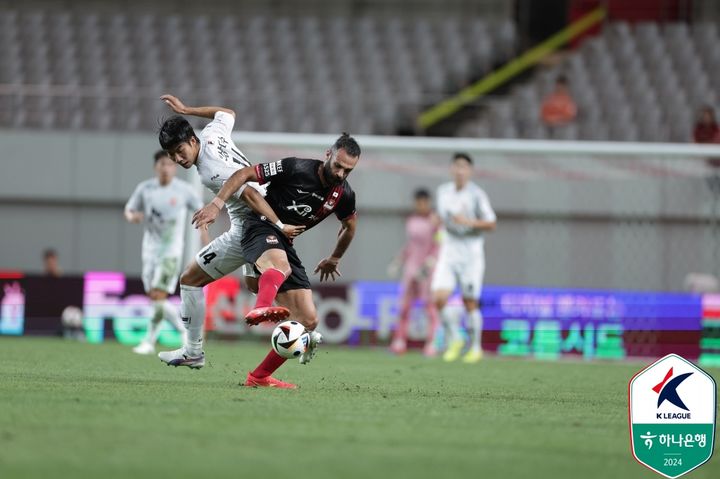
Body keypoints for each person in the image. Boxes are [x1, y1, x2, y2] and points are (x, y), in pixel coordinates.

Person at [191, 133, 360, 389]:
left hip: (284, 241)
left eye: (347, 170)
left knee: (309, 319)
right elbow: (244, 175)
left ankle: (258, 377)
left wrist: (334, 258)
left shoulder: (343, 194)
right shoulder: (296, 167)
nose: (340, 173)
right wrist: (217, 204)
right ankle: (261, 305)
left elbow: (349, 226)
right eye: (338, 165)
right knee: (279, 266)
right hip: (259, 226)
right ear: (328, 154)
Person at [155, 94, 304, 371]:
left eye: (179, 151)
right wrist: (187, 109)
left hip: (250, 225)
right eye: (171, 155)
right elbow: (226, 112)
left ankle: (193, 351)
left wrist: (277, 224)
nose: (177, 159)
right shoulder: (211, 133)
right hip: (258, 218)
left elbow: (247, 192)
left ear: (192, 141)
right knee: (256, 286)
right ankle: (303, 329)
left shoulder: (210, 170)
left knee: (189, 279)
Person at [124, 150, 210, 355]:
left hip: (171, 251)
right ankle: (185, 328)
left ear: (175, 168)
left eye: (170, 164)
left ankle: (149, 341)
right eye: (162, 164)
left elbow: (202, 213)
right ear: (156, 166)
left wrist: (205, 237)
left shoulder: (184, 190)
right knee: (156, 298)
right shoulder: (145, 189)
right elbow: (129, 210)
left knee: (158, 294)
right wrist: (132, 217)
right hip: (150, 250)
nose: (166, 168)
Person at [431, 153, 496, 363]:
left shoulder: (477, 194)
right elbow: (441, 217)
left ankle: (476, 348)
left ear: (470, 171)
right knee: (439, 298)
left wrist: (468, 222)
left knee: (469, 302)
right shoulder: (443, 192)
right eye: (457, 166)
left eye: (464, 167)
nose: (460, 170)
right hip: (449, 250)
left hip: (471, 253)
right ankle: (455, 339)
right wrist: (437, 222)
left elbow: (491, 223)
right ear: (451, 169)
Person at [388, 188, 440, 357]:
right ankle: (399, 341)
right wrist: (398, 261)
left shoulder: (435, 221)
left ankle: (432, 343)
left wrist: (428, 265)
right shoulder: (411, 220)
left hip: (428, 270)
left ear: (429, 203)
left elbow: (438, 246)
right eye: (418, 202)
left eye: (424, 202)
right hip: (411, 268)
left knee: (430, 307)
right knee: (404, 306)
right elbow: (410, 245)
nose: (421, 205)